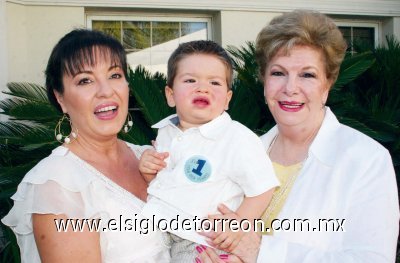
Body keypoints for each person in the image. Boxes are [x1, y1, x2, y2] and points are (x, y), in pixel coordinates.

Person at [197, 9, 399, 262]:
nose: (290, 88)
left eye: (307, 75)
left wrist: (261, 252)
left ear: (327, 84)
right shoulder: (240, 151)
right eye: (278, 73)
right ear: (264, 80)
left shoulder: (366, 160)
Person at [1, 29, 170, 262]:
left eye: (115, 75)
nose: (106, 91)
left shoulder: (149, 156)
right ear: (60, 98)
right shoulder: (56, 183)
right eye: (85, 80)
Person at [139, 40, 279, 262]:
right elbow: (165, 181)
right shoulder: (166, 131)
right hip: (161, 231)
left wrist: (239, 222)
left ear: (227, 99)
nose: (202, 88)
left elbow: (263, 188)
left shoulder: (236, 138)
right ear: (170, 94)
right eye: (190, 80)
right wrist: (148, 169)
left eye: (214, 82)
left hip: (203, 242)